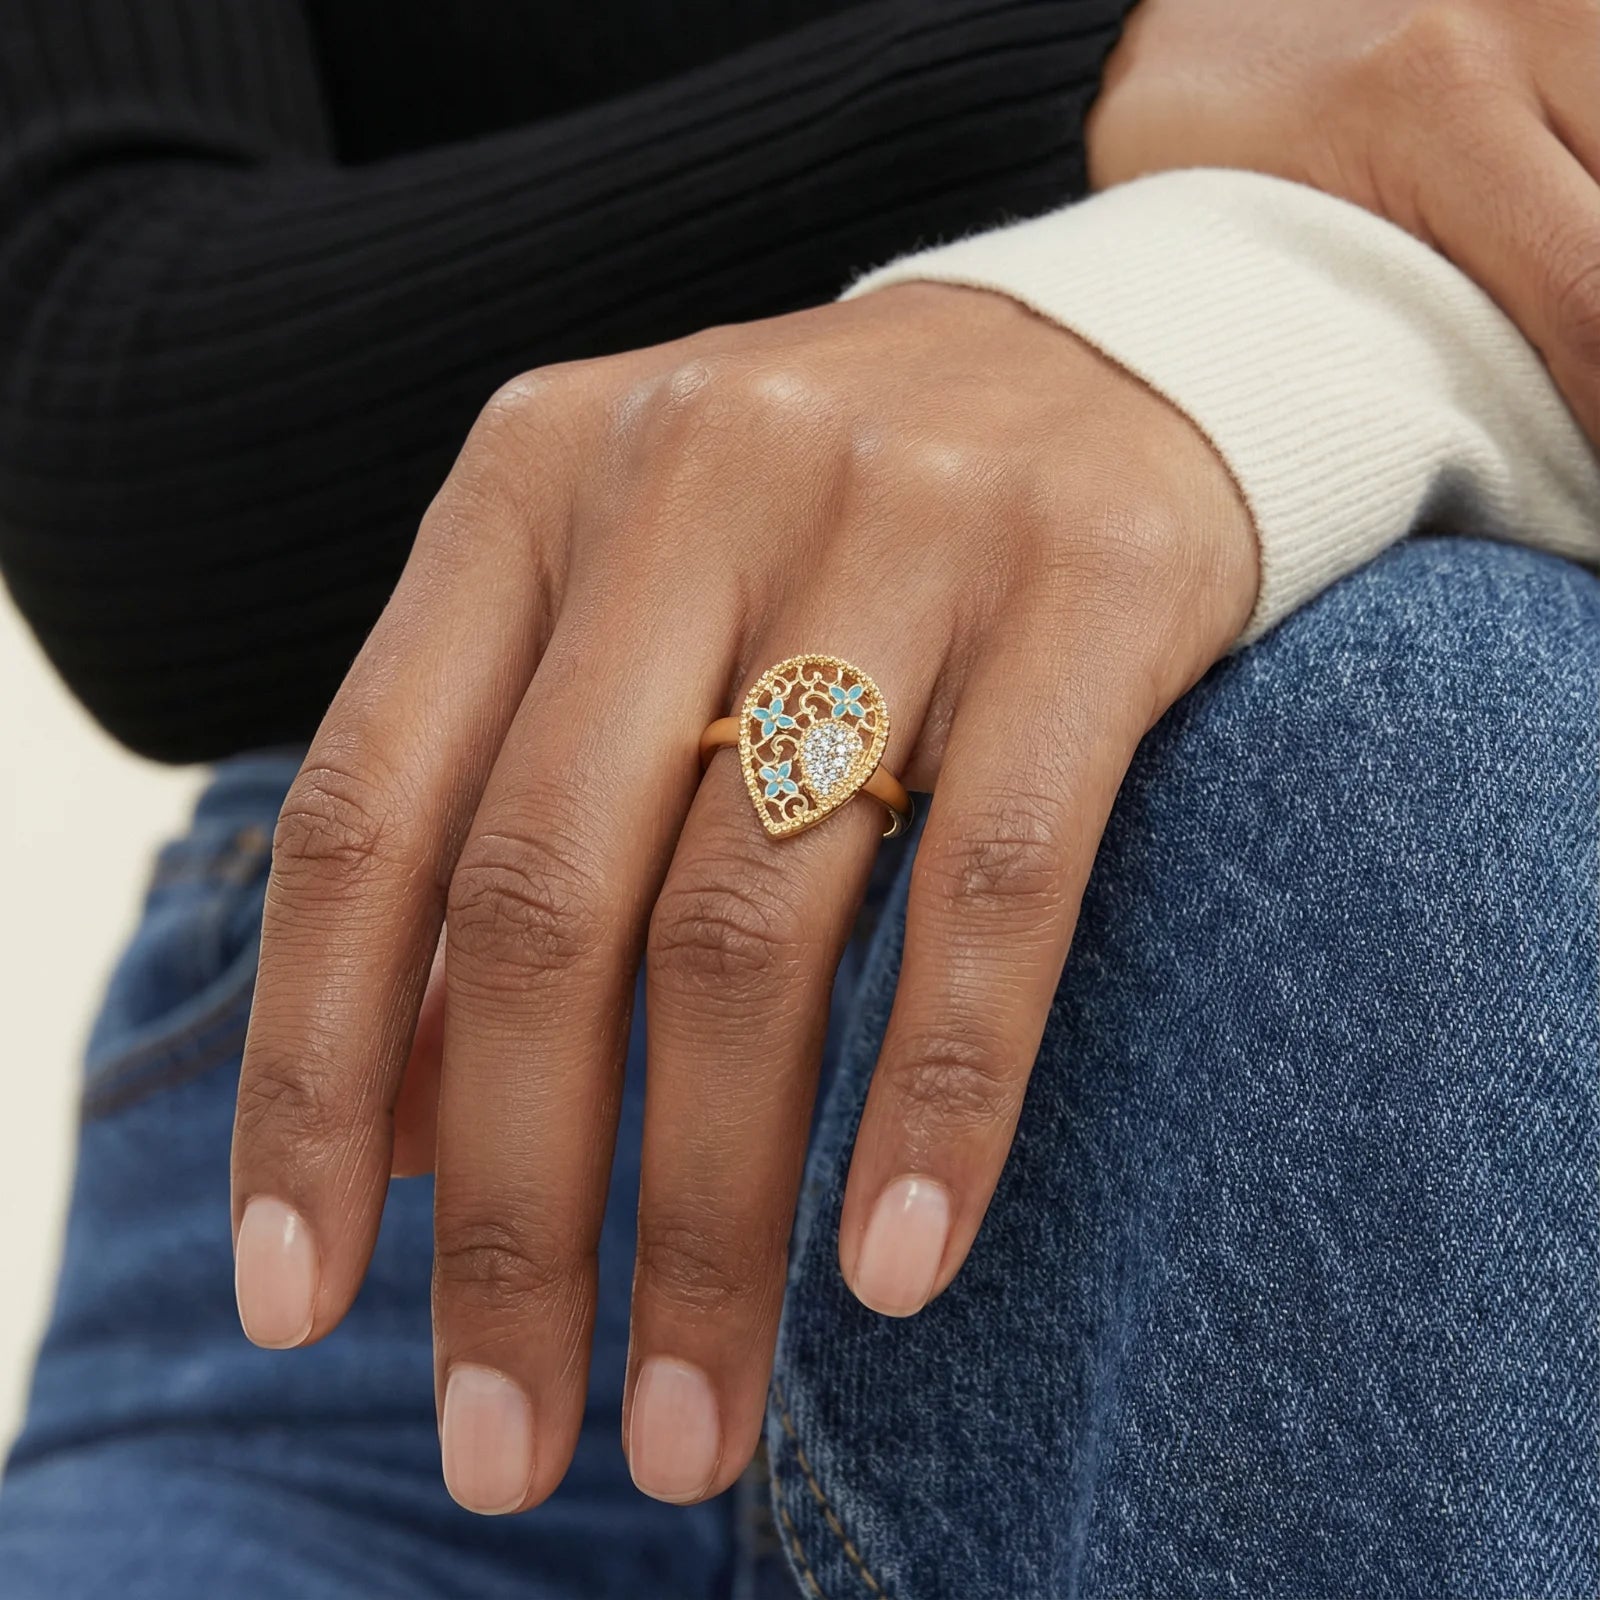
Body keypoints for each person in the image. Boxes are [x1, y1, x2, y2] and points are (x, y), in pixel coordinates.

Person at [1, 3, 1596, 1596]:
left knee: (1429, 709)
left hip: (1376, 1103)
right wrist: (1104, 85)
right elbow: (106, 365)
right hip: (422, 1115)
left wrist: (1185, 304)